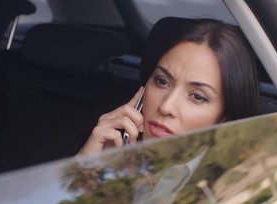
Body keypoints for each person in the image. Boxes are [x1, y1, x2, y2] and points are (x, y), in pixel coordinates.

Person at [78, 16, 259, 154]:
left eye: (197, 96)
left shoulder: (231, 188)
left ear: (225, 118)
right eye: (162, 81)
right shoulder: (108, 150)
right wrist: (85, 167)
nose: (166, 106)